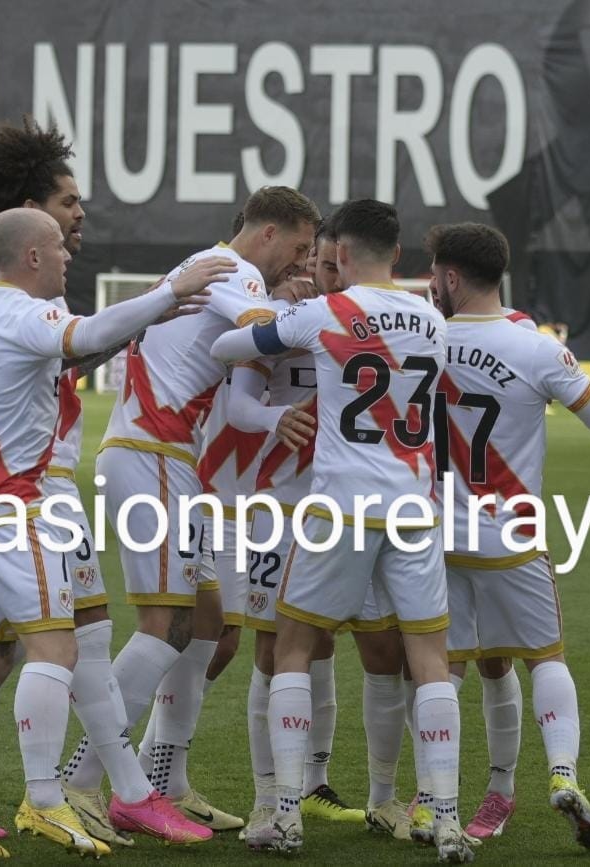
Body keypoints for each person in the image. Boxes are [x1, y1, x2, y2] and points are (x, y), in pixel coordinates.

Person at [0, 118, 211, 848]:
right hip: (28, 499)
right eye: (67, 203)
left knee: (2, 652)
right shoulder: (24, 305)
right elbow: (77, 338)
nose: (79, 217)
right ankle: (73, 794)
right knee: (70, 646)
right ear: (31, 225)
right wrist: (166, 295)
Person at [211, 198, 472, 863]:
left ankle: (285, 813)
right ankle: (445, 817)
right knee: (429, 660)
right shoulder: (432, 319)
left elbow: (225, 346)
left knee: (293, 648)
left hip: (340, 510)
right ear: (399, 255)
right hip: (413, 511)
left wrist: (271, 319)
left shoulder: (322, 314)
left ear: (343, 255)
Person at [60, 185, 319, 831]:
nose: (301, 260)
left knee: (207, 623)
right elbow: (263, 334)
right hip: (152, 453)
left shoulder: (209, 266)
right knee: (164, 625)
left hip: (161, 456)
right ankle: (81, 781)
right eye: (299, 247)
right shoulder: (234, 269)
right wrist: (329, 317)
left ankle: (165, 781)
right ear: (268, 234)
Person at [423, 222, 590, 849]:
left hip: (439, 537)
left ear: (451, 277)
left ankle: (435, 804)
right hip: (513, 535)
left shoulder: (422, 339)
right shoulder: (534, 346)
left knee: (445, 668)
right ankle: (561, 772)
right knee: (544, 658)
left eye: (434, 274)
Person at [226, 218, 411, 845]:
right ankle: (268, 801)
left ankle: (373, 796)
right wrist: (277, 418)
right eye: (319, 265)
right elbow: (238, 404)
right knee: (278, 649)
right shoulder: (280, 323)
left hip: (360, 508)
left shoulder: (372, 324)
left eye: (334, 265)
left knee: (381, 650)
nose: (328, 276)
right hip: (282, 505)